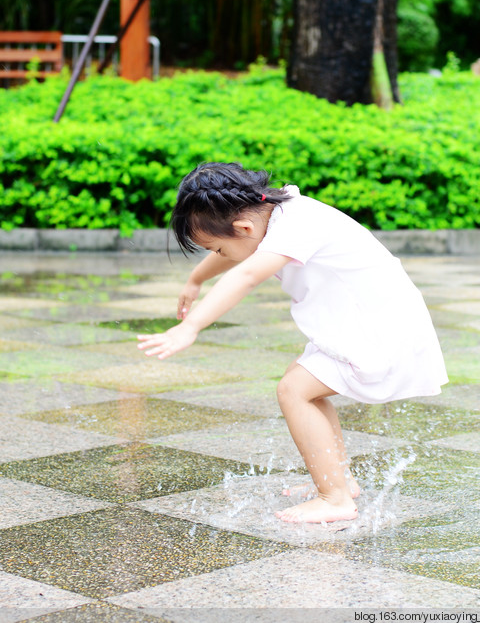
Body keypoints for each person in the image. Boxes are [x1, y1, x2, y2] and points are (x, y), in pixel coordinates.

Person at [137, 162, 448, 524]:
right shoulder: (280, 212)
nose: (218, 256)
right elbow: (239, 253)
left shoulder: (298, 225)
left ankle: (335, 499)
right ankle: (339, 479)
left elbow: (248, 273)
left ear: (243, 227)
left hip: (378, 328)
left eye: (217, 249)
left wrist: (191, 327)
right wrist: (195, 279)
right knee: (304, 388)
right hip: (366, 321)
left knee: (294, 390)